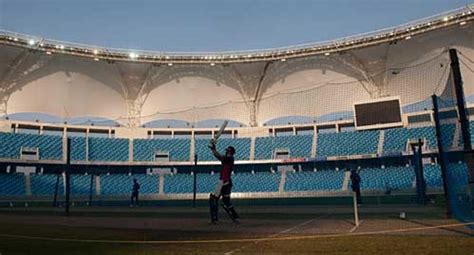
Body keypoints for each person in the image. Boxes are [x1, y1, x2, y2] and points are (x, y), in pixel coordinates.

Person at [208, 139, 239, 224]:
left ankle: (214, 219)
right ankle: (235, 217)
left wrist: (213, 148)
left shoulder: (229, 158)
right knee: (226, 202)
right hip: (228, 182)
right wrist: (213, 148)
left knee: (213, 199)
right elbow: (220, 157)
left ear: (229, 152)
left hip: (223, 181)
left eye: (227, 151)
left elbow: (219, 157)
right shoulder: (229, 159)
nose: (226, 152)